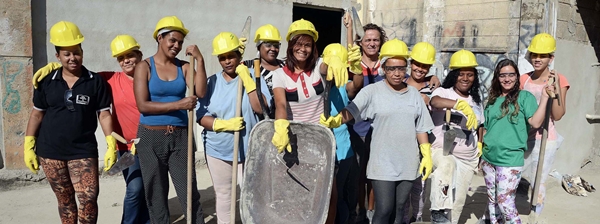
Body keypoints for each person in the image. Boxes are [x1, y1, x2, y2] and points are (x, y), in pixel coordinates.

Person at [31, 35, 151, 224]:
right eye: (121, 57)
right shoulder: (109, 78)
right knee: (135, 188)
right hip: (127, 148)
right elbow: (79, 76)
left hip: (154, 143)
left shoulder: (153, 78)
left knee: (153, 187)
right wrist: (55, 67)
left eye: (130, 55)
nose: (126, 60)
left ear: (139, 55)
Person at [321, 39, 435, 224]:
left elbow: (421, 126)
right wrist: (337, 119)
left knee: (399, 210)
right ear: (383, 68)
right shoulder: (373, 91)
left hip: (408, 160)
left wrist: (426, 152)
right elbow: (353, 110)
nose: (397, 73)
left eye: (401, 68)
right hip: (382, 161)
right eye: (391, 68)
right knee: (384, 209)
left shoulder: (414, 94)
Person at [24, 21, 117, 224]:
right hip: (50, 152)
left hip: (83, 150)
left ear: (82, 51)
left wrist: (111, 142)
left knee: (89, 200)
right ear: (58, 56)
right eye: (67, 54)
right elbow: (36, 114)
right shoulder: (46, 81)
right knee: (65, 202)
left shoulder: (94, 81)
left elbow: (104, 114)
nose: (73, 58)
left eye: (76, 52)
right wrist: (29, 143)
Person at [269, 19, 355, 224]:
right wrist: (280, 126)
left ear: (313, 47)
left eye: (307, 44)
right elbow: (281, 104)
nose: (303, 49)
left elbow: (326, 68)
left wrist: (333, 61)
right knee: (296, 195)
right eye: (298, 44)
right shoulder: (279, 74)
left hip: (321, 141)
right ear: (290, 46)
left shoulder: (318, 66)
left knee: (328, 195)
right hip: (293, 142)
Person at [133, 16, 207, 224]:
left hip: (181, 136)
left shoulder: (184, 67)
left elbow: (200, 91)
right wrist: (178, 105)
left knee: (188, 189)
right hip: (149, 137)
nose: (177, 45)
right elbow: (143, 105)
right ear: (159, 38)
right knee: (155, 191)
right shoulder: (144, 67)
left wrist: (200, 60)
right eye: (172, 40)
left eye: (180, 42)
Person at [197, 32, 271, 224]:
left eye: (231, 56)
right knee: (223, 194)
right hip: (218, 148)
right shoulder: (212, 82)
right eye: (222, 58)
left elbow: (259, 107)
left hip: (248, 149)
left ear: (239, 55)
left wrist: (248, 80)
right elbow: (200, 115)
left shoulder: (254, 78)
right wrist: (219, 124)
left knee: (251, 195)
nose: (227, 61)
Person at [479, 59, 551, 224]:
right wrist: (481, 154)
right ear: (497, 77)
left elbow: (536, 122)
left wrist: (545, 98)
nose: (507, 79)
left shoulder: (525, 97)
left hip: (509, 160)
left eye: (511, 74)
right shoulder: (492, 100)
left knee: (506, 204)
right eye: (502, 75)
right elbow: (487, 128)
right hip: (488, 159)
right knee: (492, 201)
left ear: (517, 76)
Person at [427, 49, 483, 224]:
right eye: (461, 74)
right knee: (446, 165)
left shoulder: (476, 101)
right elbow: (434, 102)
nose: (465, 78)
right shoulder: (444, 93)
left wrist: (480, 144)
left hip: (467, 159)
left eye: (470, 74)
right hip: (441, 151)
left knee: (458, 203)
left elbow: (480, 125)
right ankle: (437, 212)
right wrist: (458, 104)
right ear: (453, 75)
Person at [520, 33, 570, 215]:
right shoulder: (523, 79)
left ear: (551, 58)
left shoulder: (560, 79)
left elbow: (558, 115)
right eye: (535, 55)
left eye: (542, 55)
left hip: (545, 138)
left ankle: (535, 215)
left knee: (538, 181)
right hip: (523, 136)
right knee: (514, 175)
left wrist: (554, 87)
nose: (537, 59)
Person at [402, 41, 438, 223]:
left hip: (422, 148)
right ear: (411, 63)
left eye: (425, 66)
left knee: (418, 192)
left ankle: (414, 219)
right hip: (399, 146)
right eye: (417, 64)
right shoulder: (398, 83)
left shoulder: (433, 89)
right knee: (400, 193)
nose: (420, 69)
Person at [242, 24, 285, 118]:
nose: (273, 49)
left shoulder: (286, 66)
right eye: (268, 45)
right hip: (259, 122)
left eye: (276, 45)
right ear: (258, 46)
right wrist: (237, 53)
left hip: (284, 119)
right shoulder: (247, 66)